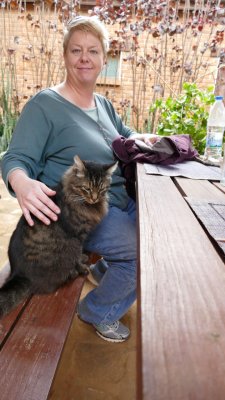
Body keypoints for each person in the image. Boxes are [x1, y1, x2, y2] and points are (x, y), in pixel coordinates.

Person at [2, 16, 157, 342]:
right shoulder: (46, 105)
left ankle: (104, 272)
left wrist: (153, 139)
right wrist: (22, 182)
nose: (84, 58)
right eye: (76, 50)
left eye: (93, 51)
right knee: (146, 251)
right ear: (65, 56)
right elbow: (16, 158)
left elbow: (125, 136)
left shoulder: (103, 104)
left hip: (119, 198)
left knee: (161, 227)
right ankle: (97, 312)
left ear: (104, 58)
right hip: (79, 213)